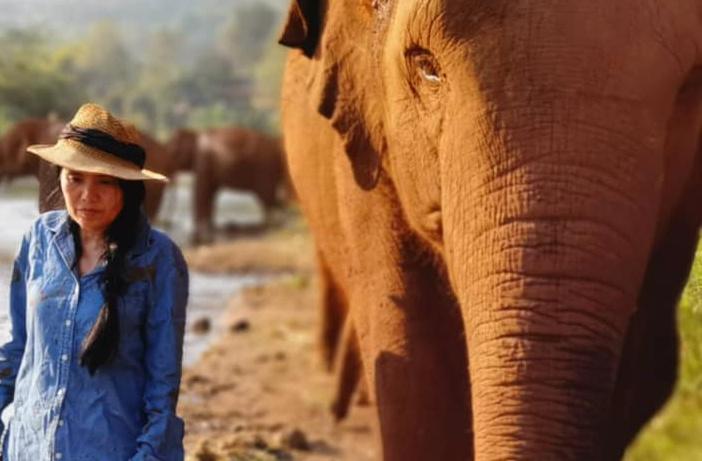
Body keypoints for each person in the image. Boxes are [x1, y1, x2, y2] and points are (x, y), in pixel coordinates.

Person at [0, 103, 188, 460]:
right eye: (75, 178)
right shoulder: (39, 239)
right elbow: (16, 347)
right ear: (59, 177)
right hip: (28, 447)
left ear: (129, 189)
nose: (87, 196)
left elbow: (162, 386)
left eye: (105, 182)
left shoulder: (159, 259)